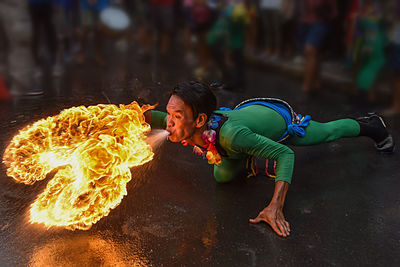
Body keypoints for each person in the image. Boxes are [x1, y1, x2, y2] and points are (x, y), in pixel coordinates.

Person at [144, 81, 395, 237]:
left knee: (328, 132)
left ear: (199, 121)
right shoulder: (194, 126)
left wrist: (275, 207)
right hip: (241, 127)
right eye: (169, 114)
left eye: (176, 116)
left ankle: (371, 124)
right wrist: (120, 117)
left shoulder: (232, 137)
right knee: (222, 175)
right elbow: (151, 118)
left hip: (278, 120)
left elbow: (285, 153)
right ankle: (253, 158)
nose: (169, 122)